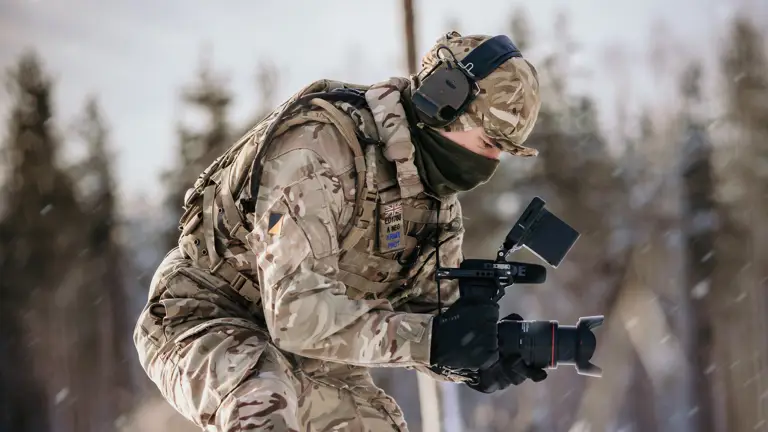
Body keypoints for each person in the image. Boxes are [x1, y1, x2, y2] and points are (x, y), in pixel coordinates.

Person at [134, 31, 546, 432]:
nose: (492, 163)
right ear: (444, 101)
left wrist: (478, 355)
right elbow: (296, 316)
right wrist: (433, 340)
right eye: (491, 142)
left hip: (316, 353)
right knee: (261, 404)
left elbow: (424, 321)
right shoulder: (316, 150)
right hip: (203, 316)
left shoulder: (437, 205)